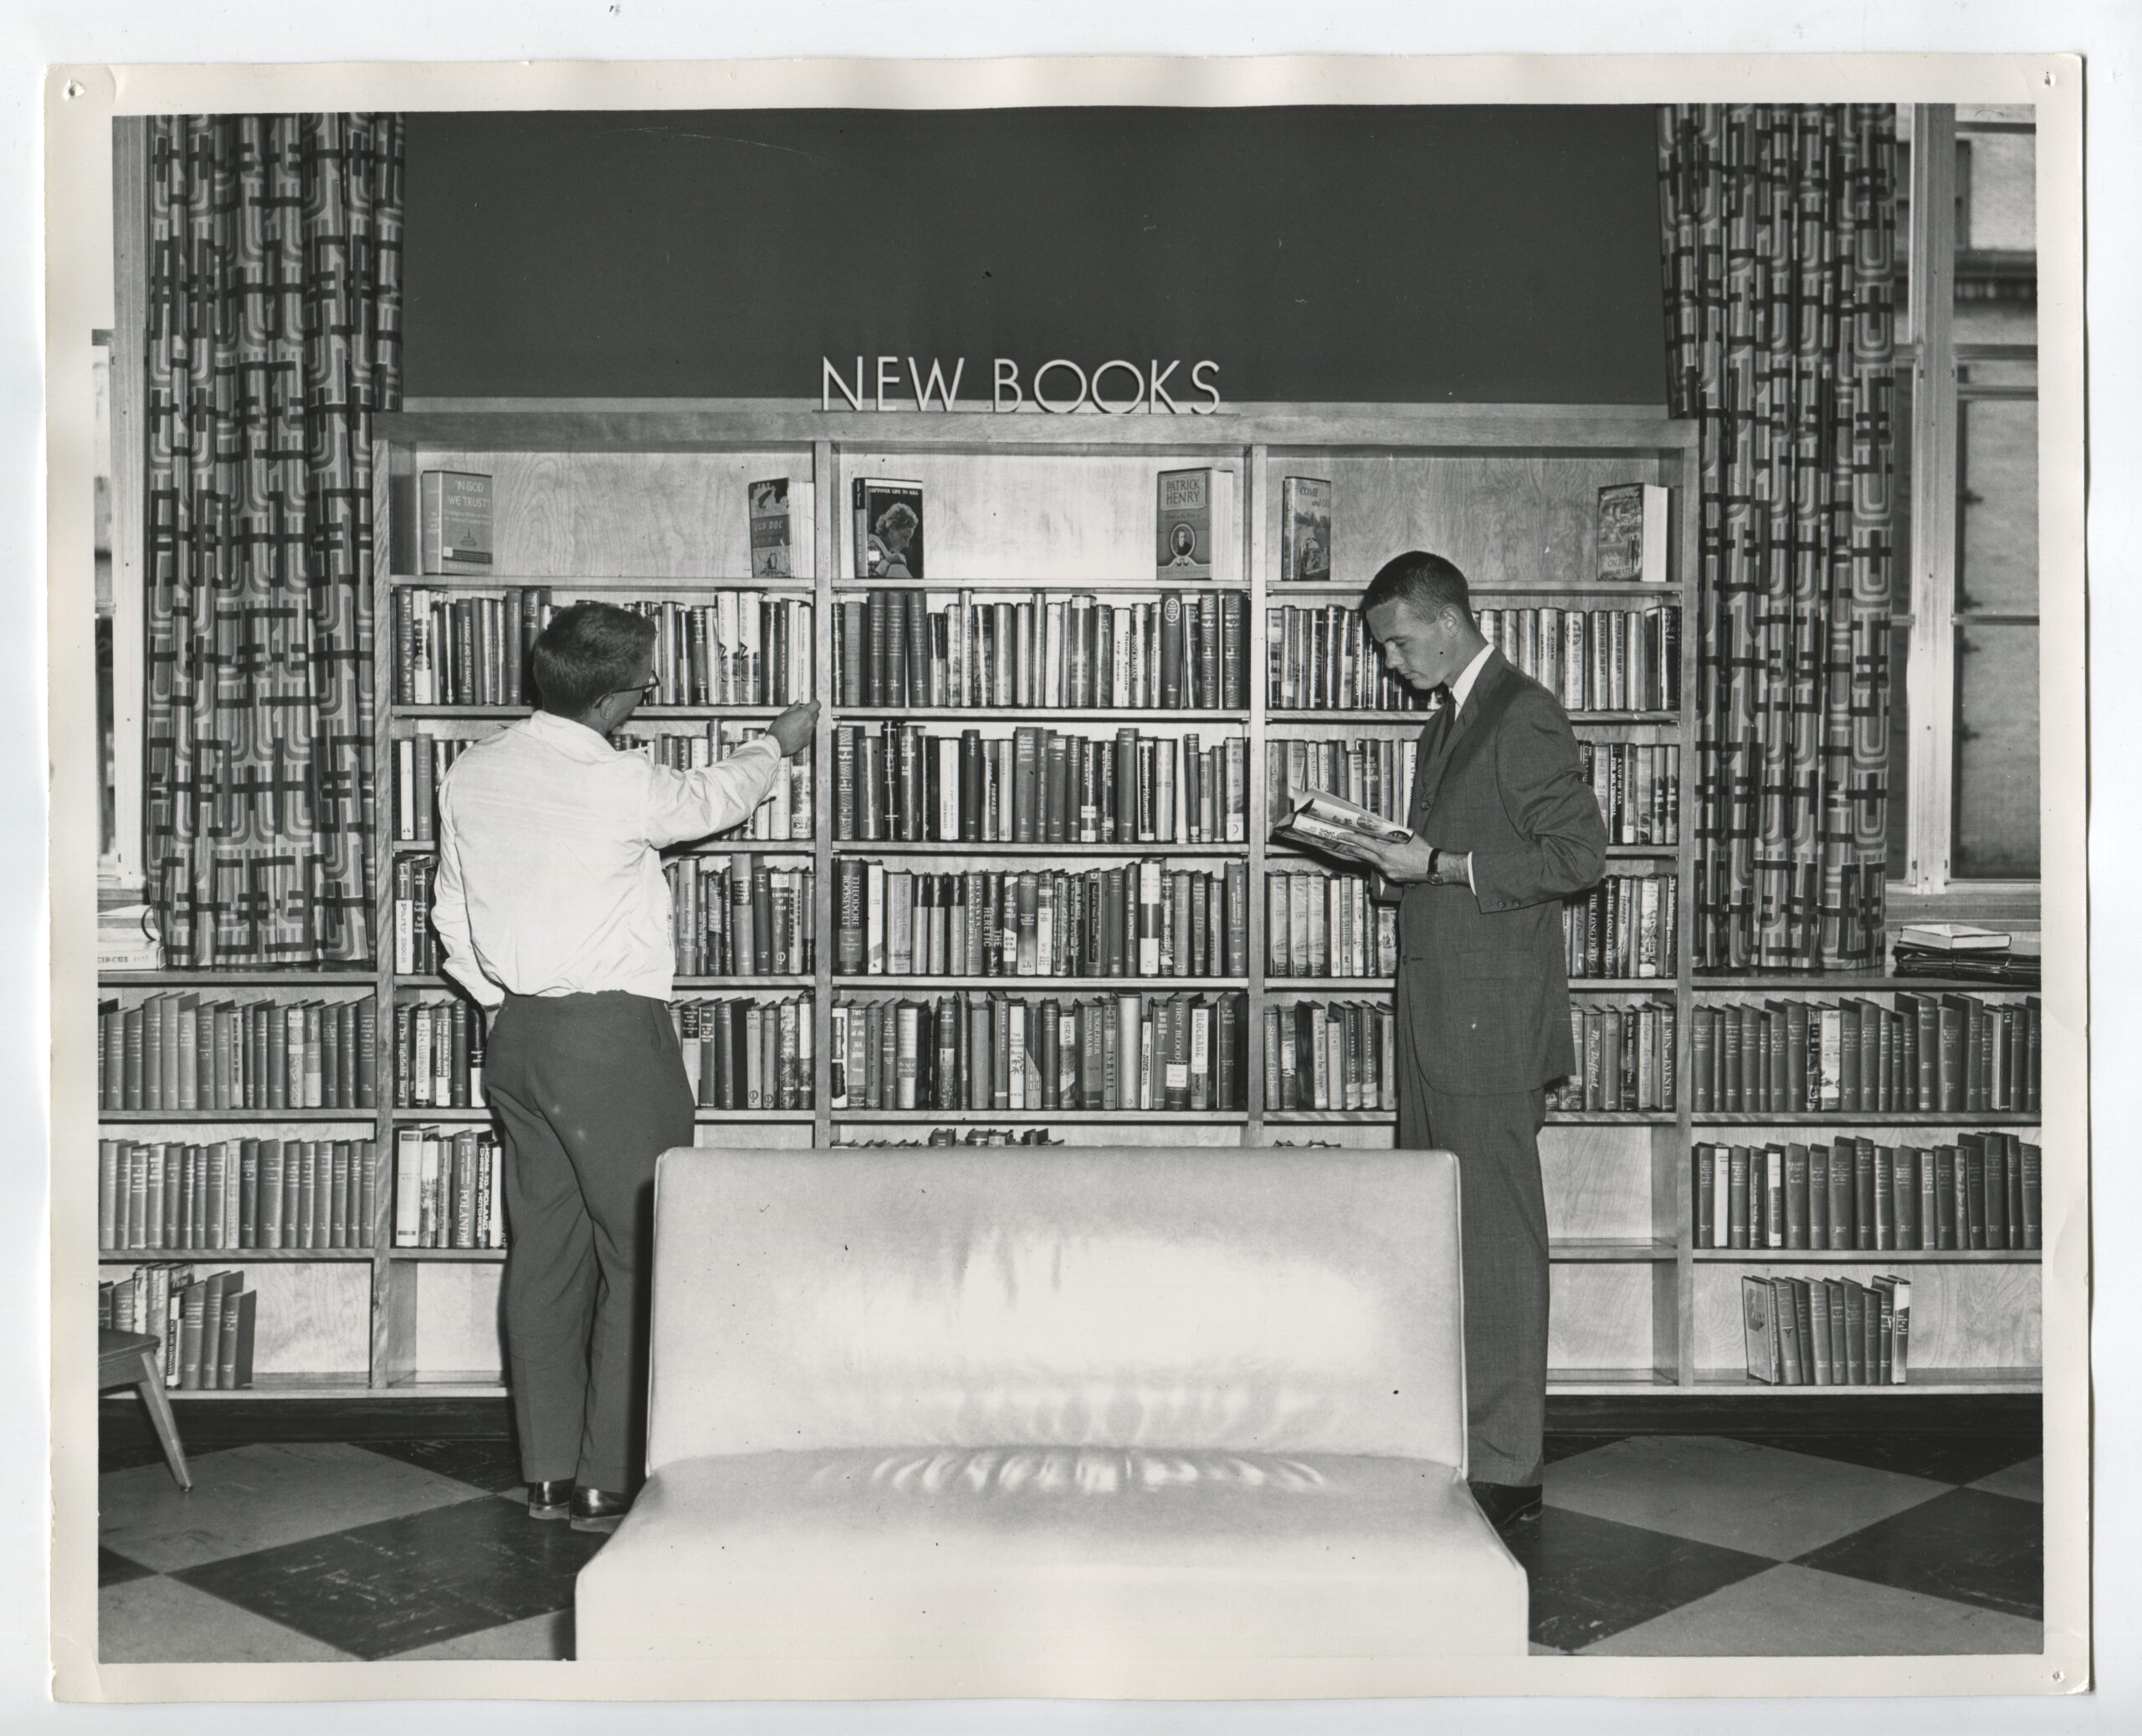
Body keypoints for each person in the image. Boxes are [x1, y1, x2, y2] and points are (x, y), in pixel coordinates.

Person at [431, 601, 818, 1533]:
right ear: (608, 704)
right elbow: (713, 799)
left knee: (545, 1259)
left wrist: (510, 1004)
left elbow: (451, 916)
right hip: (610, 1041)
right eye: (642, 691)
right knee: (644, 1253)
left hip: (515, 1039)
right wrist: (776, 744)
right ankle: (609, 1479)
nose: (643, 705)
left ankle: (547, 1477)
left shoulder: (471, 774)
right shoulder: (619, 780)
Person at [1318, 551, 1606, 1534]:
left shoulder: (1520, 709)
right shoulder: (1451, 714)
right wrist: (1393, 861)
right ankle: (1464, 1442)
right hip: (1442, 1013)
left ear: (1445, 621)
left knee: (1494, 1245)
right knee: (1442, 1238)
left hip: (1484, 1024)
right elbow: (1467, 857)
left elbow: (1578, 855)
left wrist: (1436, 861)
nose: (1391, 661)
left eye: (1397, 641)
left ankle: (1506, 1463)